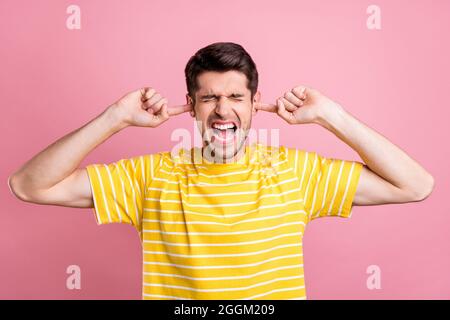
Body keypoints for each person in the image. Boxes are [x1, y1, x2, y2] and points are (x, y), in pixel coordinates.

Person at [8, 42, 434, 300]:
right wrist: (114, 117)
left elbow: (416, 185)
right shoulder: (150, 177)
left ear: (255, 103)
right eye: (209, 98)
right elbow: (28, 186)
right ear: (191, 105)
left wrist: (332, 116)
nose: (223, 110)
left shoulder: (296, 173)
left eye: (235, 96)